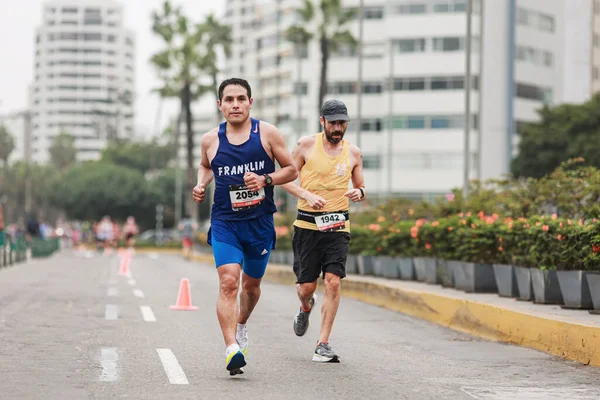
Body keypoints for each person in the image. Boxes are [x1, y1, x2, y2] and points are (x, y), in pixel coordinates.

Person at [192, 78, 298, 375]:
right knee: (228, 282)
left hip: (259, 223)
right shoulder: (210, 139)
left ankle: (241, 325)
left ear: (250, 102)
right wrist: (201, 184)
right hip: (225, 221)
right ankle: (230, 348)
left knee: (250, 288)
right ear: (220, 105)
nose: (235, 104)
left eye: (241, 98)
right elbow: (205, 165)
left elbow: (291, 170)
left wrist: (265, 180)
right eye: (229, 99)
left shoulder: (267, 133)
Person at [282, 99, 366, 363]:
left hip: (338, 226)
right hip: (307, 226)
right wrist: (306, 193)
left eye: (342, 123)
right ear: (323, 122)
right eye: (333, 123)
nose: (338, 128)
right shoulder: (305, 145)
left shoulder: (354, 153)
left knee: (333, 282)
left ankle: (323, 343)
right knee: (306, 287)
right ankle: (305, 306)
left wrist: (359, 192)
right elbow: (284, 178)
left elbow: (362, 187)